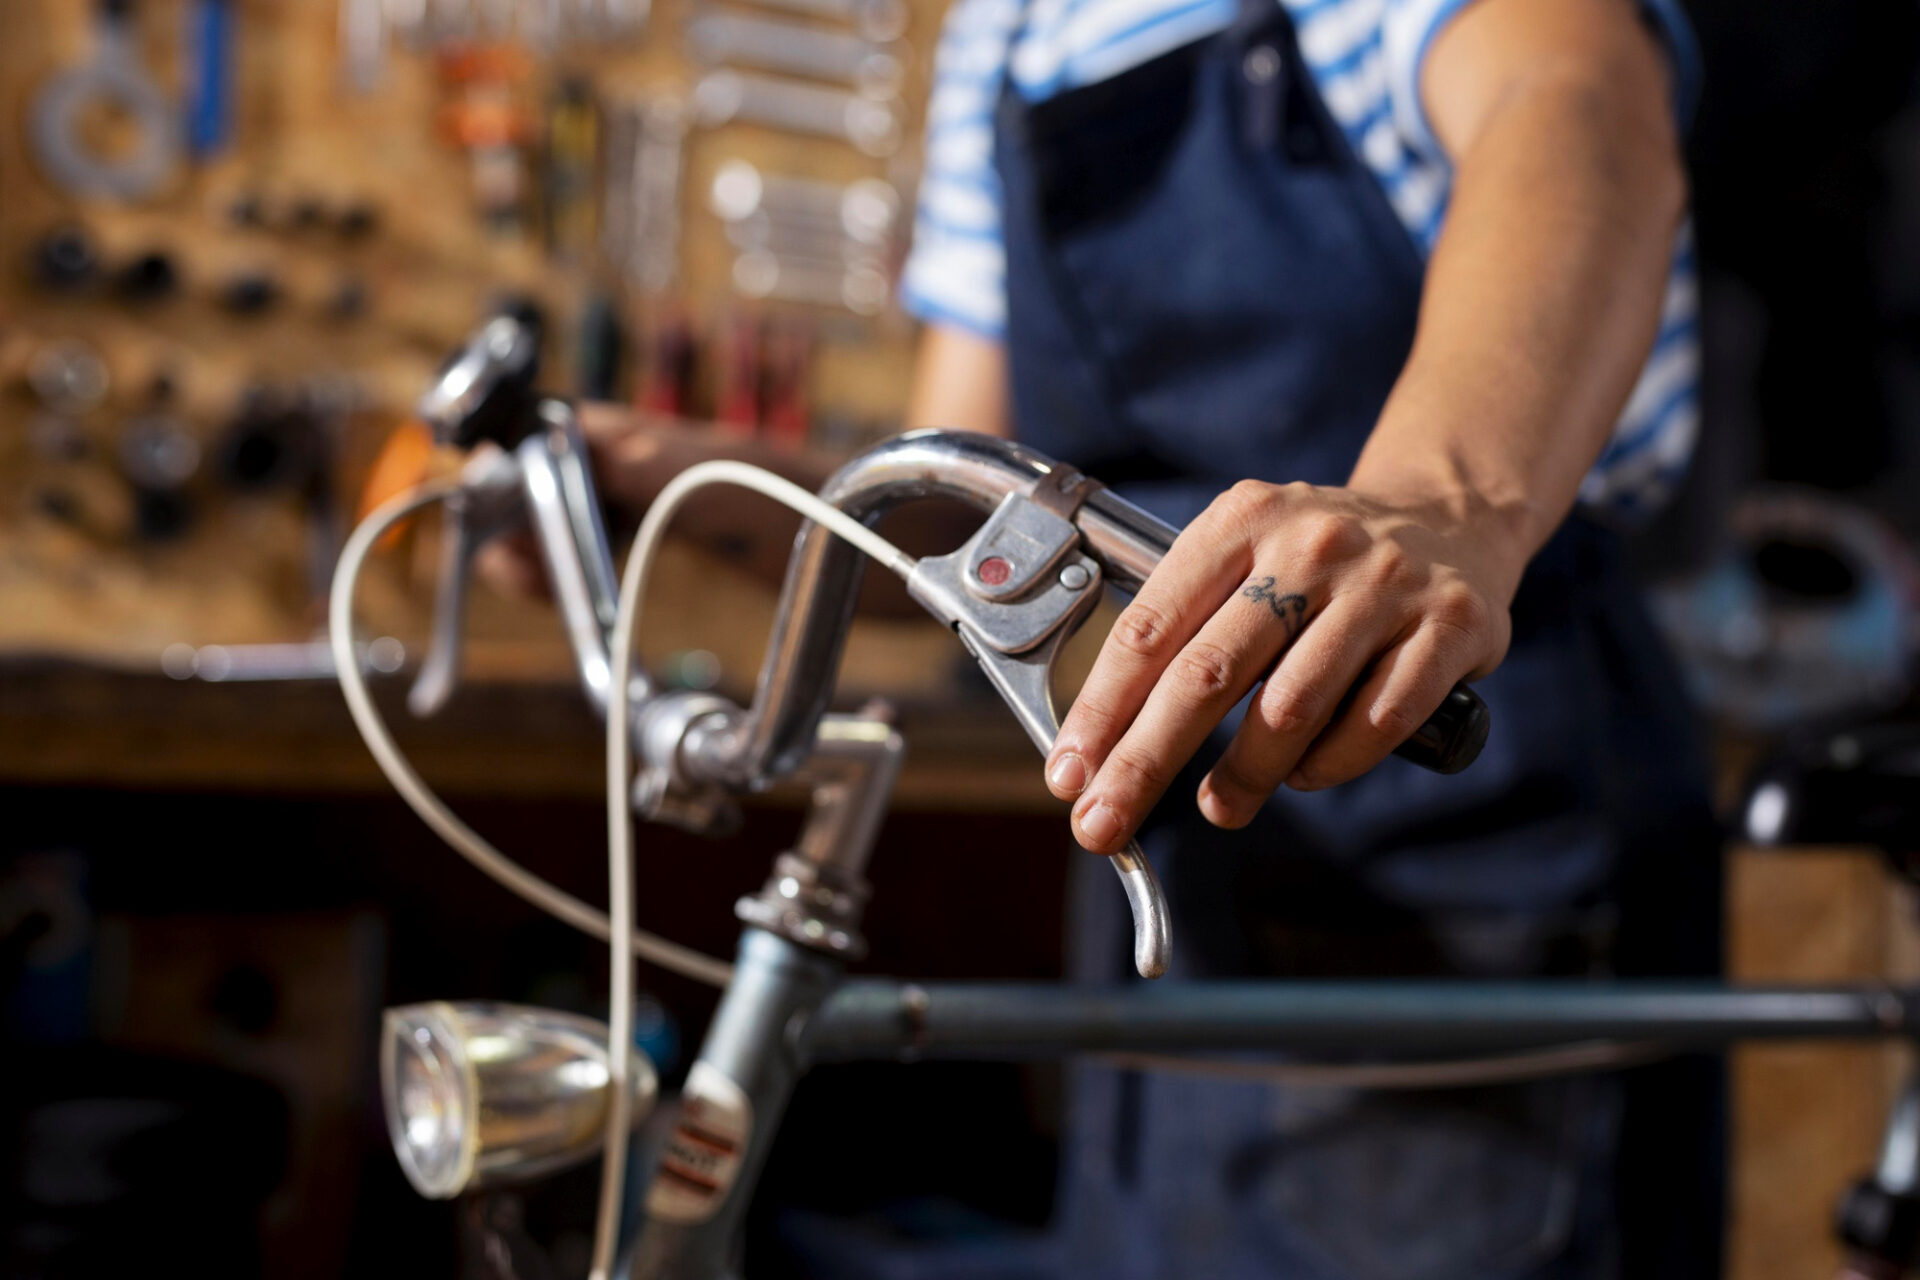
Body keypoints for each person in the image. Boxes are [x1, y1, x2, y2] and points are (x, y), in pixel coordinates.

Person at [489, 0, 1721, 1272]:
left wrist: (1441, 499)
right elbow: (959, 497)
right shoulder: (1010, 30)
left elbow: (1575, 114)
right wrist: (693, 487)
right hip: (1173, 868)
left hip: (1456, 812)